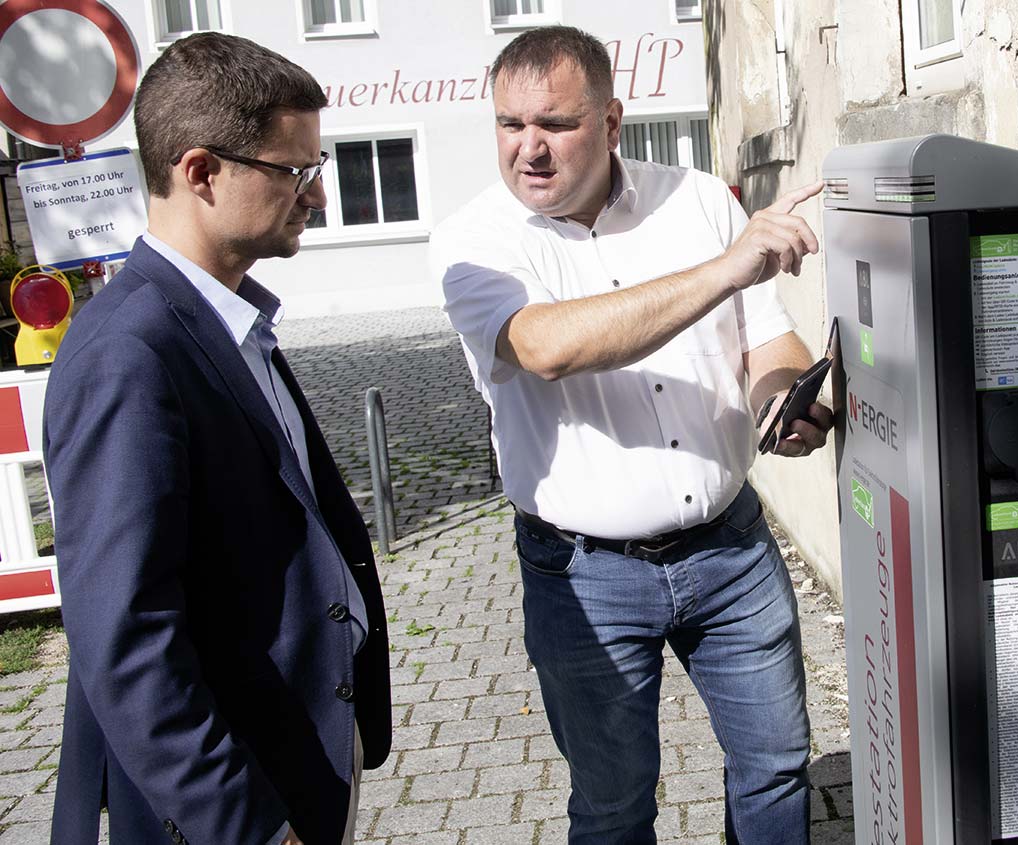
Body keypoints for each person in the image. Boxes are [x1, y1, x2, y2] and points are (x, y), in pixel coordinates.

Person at [431, 25, 832, 845]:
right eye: (510, 125)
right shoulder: (476, 240)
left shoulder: (696, 199)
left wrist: (784, 397)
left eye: (555, 124)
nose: (529, 149)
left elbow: (767, 337)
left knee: (777, 770)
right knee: (613, 808)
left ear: (612, 121)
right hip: (585, 573)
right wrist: (726, 266)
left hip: (731, 552)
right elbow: (548, 347)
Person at [45, 32, 390, 845]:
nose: (318, 197)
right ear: (201, 171)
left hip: (296, 752)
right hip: (227, 806)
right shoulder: (130, 354)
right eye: (294, 171)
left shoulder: (228, 320)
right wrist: (246, 826)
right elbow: (127, 638)